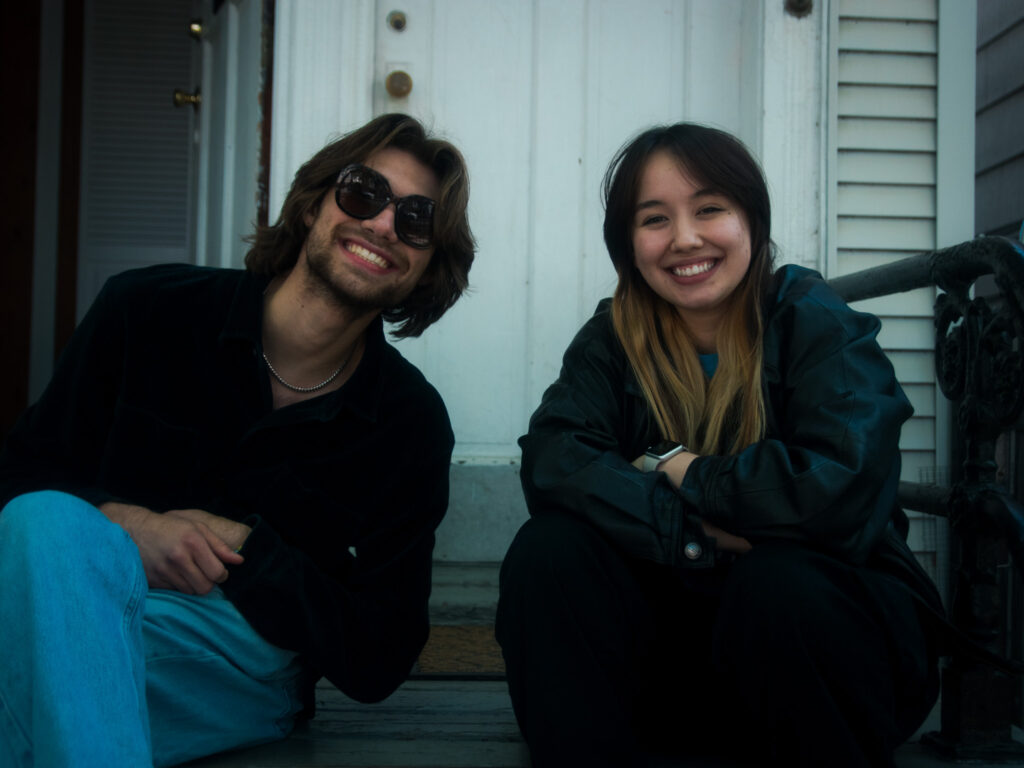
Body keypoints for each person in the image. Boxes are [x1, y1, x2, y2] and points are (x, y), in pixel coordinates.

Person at [0, 112, 474, 767]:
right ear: (312, 206)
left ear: (427, 267)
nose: (385, 224)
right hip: (75, 597)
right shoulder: (144, 311)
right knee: (43, 519)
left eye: (417, 220)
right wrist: (127, 525)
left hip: (239, 667)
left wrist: (248, 547)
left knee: (28, 671)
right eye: (363, 193)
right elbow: (18, 473)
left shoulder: (407, 421)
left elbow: (382, 654)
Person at [496, 123, 942, 767]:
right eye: (655, 219)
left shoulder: (815, 321)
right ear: (628, 243)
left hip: (822, 664)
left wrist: (685, 468)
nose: (684, 239)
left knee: (778, 581)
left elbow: (837, 483)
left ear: (751, 221)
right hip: (675, 668)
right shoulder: (612, 337)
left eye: (710, 209)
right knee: (548, 552)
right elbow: (556, 457)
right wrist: (695, 533)